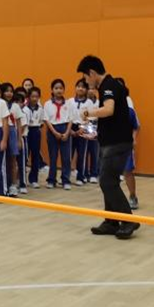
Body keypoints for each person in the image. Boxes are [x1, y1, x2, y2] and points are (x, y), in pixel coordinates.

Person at [77, 56, 137, 239]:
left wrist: (88, 113)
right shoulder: (108, 86)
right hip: (110, 141)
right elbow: (114, 117)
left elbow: (109, 110)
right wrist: (97, 133)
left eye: (86, 77)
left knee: (107, 181)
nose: (86, 82)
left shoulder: (109, 86)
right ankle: (111, 221)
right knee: (109, 181)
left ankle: (128, 220)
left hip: (116, 143)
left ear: (92, 73)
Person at [43, 78, 73, 190]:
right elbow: (46, 120)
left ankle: (65, 180)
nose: (59, 90)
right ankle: (51, 180)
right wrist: (55, 132)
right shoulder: (47, 104)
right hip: (52, 130)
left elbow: (71, 119)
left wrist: (67, 133)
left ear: (64, 90)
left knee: (66, 157)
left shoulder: (68, 104)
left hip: (65, 128)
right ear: (52, 90)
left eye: (61, 88)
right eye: (56, 88)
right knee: (53, 157)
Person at [70, 78, 92, 185]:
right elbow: (67, 116)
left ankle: (81, 177)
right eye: (78, 86)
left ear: (87, 89)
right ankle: (65, 176)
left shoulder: (89, 103)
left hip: (83, 128)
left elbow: (90, 117)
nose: (80, 89)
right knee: (68, 153)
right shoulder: (70, 101)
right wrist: (70, 130)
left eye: (83, 87)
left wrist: (82, 128)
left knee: (82, 153)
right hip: (70, 127)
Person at [24, 87, 44, 189]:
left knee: (35, 155)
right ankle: (22, 178)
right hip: (26, 132)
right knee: (25, 155)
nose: (34, 99)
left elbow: (41, 122)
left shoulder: (40, 109)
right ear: (28, 97)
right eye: (32, 96)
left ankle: (34, 179)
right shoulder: (24, 109)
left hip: (36, 131)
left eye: (36, 96)